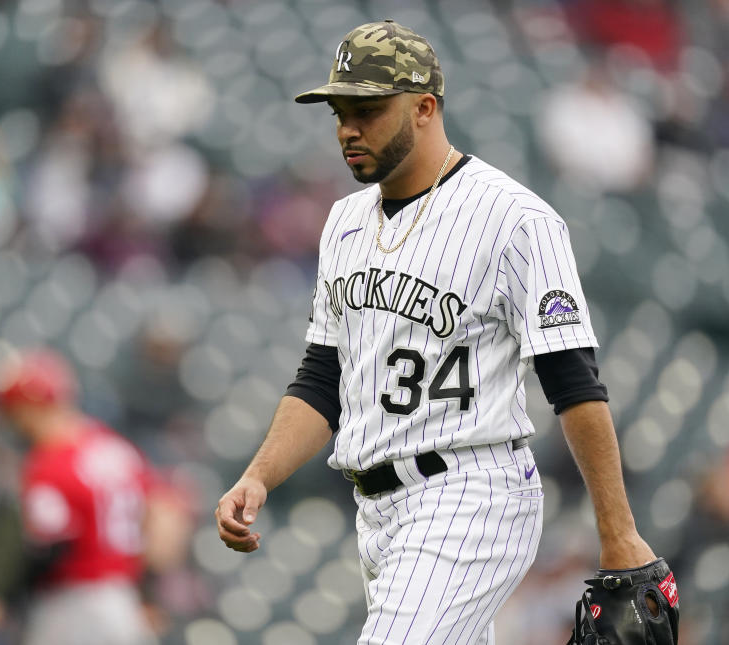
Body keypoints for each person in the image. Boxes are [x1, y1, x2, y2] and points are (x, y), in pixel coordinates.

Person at [216, 20, 668, 644]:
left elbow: (574, 382)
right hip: (377, 512)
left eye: (368, 110)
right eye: (340, 111)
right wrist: (258, 476)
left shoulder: (515, 218)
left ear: (424, 107)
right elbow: (323, 378)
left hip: (471, 493)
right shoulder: (344, 222)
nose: (348, 128)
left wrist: (618, 533)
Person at [0, 349, 160, 645]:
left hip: (73, 604)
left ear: (30, 408)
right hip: (124, 599)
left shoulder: (49, 464)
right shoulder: (116, 448)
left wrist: (0, 594)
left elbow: (48, 548)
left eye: (14, 412)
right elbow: (156, 520)